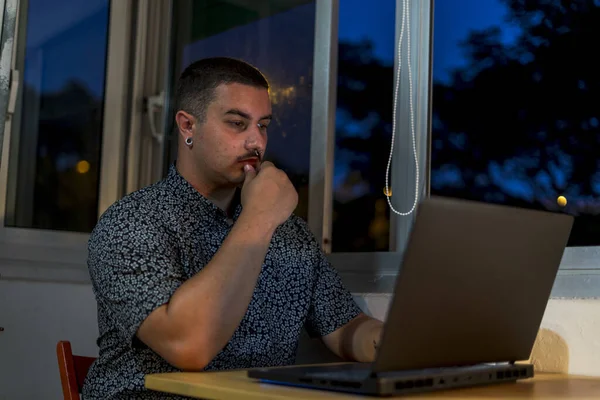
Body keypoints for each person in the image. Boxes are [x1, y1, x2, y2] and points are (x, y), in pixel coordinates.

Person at [83, 57, 384, 399]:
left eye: (264, 125)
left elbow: (344, 327)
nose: (257, 141)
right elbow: (188, 347)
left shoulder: (289, 234)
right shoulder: (132, 223)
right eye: (238, 124)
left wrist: (396, 346)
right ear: (187, 126)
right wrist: (258, 219)